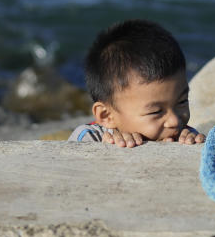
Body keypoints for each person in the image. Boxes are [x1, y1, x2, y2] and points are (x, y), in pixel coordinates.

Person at [70, 19, 206, 147]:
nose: (174, 121)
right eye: (156, 111)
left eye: (182, 102)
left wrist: (192, 145)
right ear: (107, 115)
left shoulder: (183, 134)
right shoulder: (89, 139)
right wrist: (105, 153)